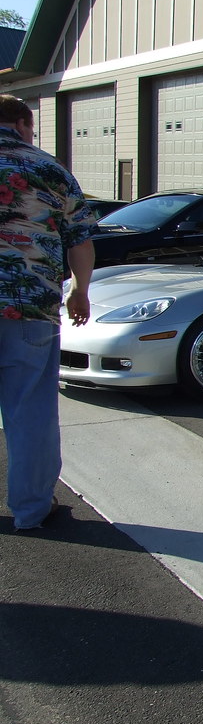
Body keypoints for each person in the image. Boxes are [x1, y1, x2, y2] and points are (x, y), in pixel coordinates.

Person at [0, 94, 97, 530]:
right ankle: (31, 511)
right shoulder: (48, 169)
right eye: (32, 128)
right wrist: (79, 292)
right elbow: (79, 239)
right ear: (20, 123)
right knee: (31, 411)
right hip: (28, 308)